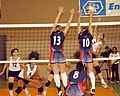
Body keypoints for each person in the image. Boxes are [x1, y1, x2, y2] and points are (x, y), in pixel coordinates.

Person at [50, 7, 75, 96]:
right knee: (63, 72)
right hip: (60, 54)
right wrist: (72, 15)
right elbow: (68, 25)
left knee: (56, 73)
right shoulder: (62, 34)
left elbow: (55, 23)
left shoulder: (52, 33)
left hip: (53, 54)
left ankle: (59, 91)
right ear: (60, 29)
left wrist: (59, 13)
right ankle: (65, 89)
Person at [77, 9, 95, 95]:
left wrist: (79, 17)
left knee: (82, 71)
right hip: (89, 55)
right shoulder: (90, 36)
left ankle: (80, 86)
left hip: (82, 55)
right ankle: (93, 88)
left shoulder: (80, 36)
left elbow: (78, 25)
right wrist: (91, 15)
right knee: (91, 72)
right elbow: (90, 24)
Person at [92, 18, 108, 88]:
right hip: (86, 53)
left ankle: (103, 82)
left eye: (101, 34)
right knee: (82, 67)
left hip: (93, 55)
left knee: (97, 68)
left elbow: (97, 53)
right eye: (99, 33)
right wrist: (98, 21)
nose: (99, 34)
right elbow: (95, 28)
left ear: (101, 37)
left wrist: (93, 52)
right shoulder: (94, 38)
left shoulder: (100, 43)